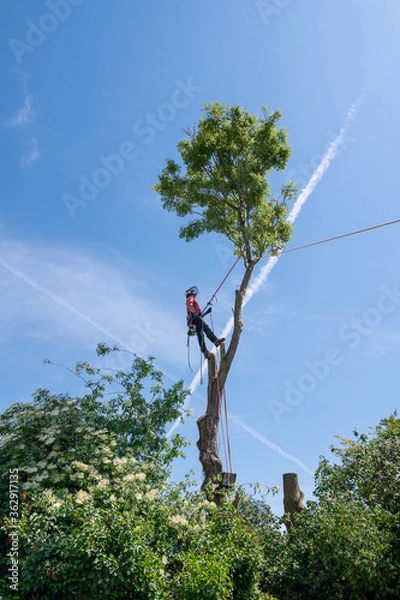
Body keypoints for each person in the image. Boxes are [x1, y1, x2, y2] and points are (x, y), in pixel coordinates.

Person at [185, 286, 225, 359]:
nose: (194, 292)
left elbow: (200, 315)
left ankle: (205, 352)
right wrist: (194, 313)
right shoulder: (190, 298)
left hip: (194, 319)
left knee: (200, 335)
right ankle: (215, 340)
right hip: (194, 317)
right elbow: (190, 305)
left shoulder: (194, 302)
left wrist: (207, 312)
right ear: (190, 293)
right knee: (205, 327)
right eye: (193, 291)